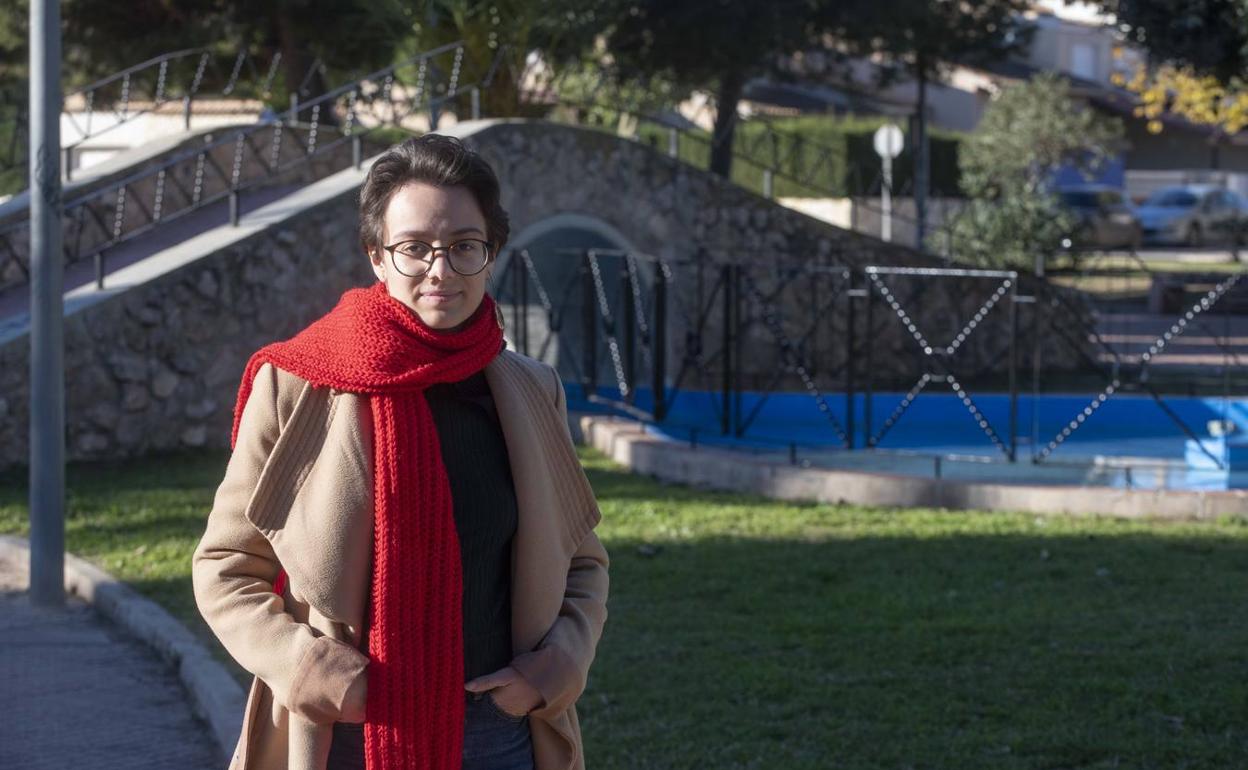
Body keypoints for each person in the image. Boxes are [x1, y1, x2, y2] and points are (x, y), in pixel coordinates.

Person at [191, 134, 610, 770]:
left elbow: (581, 559)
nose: (440, 270)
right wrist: (316, 675)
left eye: (464, 247)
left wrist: (552, 669)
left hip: (502, 731)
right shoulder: (299, 383)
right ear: (377, 257)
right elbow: (225, 567)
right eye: (414, 248)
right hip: (346, 734)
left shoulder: (530, 387)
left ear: (491, 253)